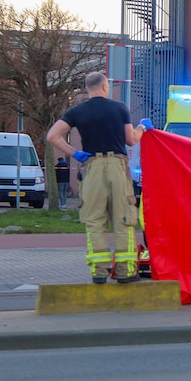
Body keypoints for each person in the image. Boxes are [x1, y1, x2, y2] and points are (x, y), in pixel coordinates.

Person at [46, 71, 150, 284]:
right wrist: (142, 127)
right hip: (117, 167)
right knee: (123, 219)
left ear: (87, 88)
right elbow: (131, 140)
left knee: (95, 220)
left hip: (92, 167)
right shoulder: (119, 108)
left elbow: (52, 136)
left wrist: (74, 153)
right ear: (105, 86)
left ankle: (99, 272)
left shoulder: (77, 111)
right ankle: (126, 272)